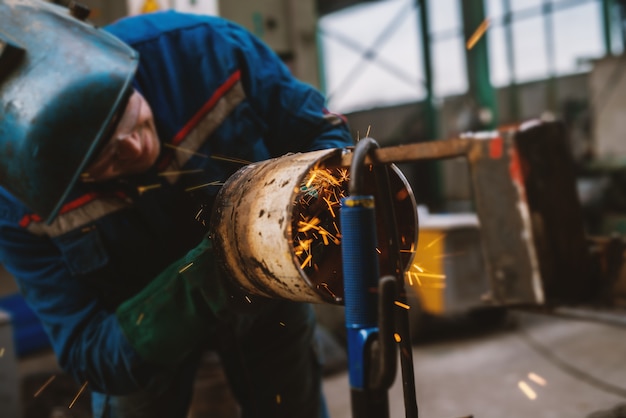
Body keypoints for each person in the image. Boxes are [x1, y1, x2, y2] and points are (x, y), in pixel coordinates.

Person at [0, 1, 353, 417]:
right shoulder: (18, 205)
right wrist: (217, 272)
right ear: (52, 173)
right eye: (101, 156)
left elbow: (324, 140)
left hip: (268, 301)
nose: (134, 145)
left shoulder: (205, 51)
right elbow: (88, 353)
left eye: (123, 111)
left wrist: (311, 213)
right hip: (144, 340)